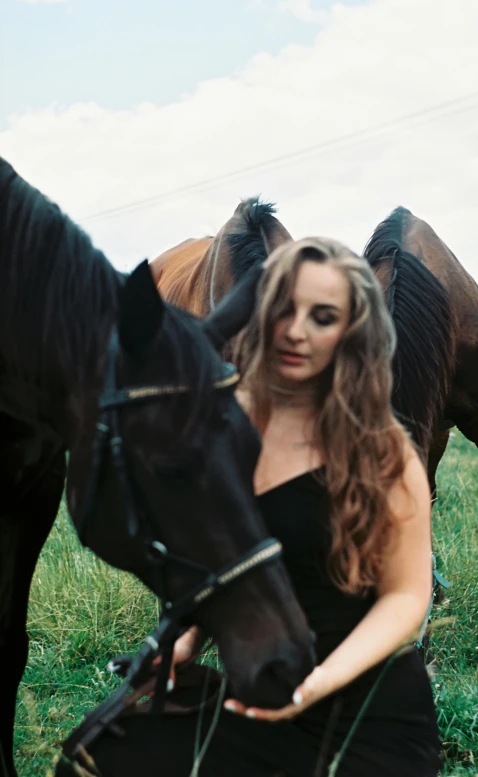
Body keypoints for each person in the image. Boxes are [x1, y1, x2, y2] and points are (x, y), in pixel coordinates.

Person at [58, 237, 442, 777]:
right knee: (95, 757)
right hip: (257, 683)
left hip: (365, 710)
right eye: (284, 308)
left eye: (323, 317)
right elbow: (216, 553)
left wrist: (318, 684)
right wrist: (188, 636)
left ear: (351, 334)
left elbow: (407, 597)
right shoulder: (223, 422)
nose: (295, 330)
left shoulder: (383, 448)